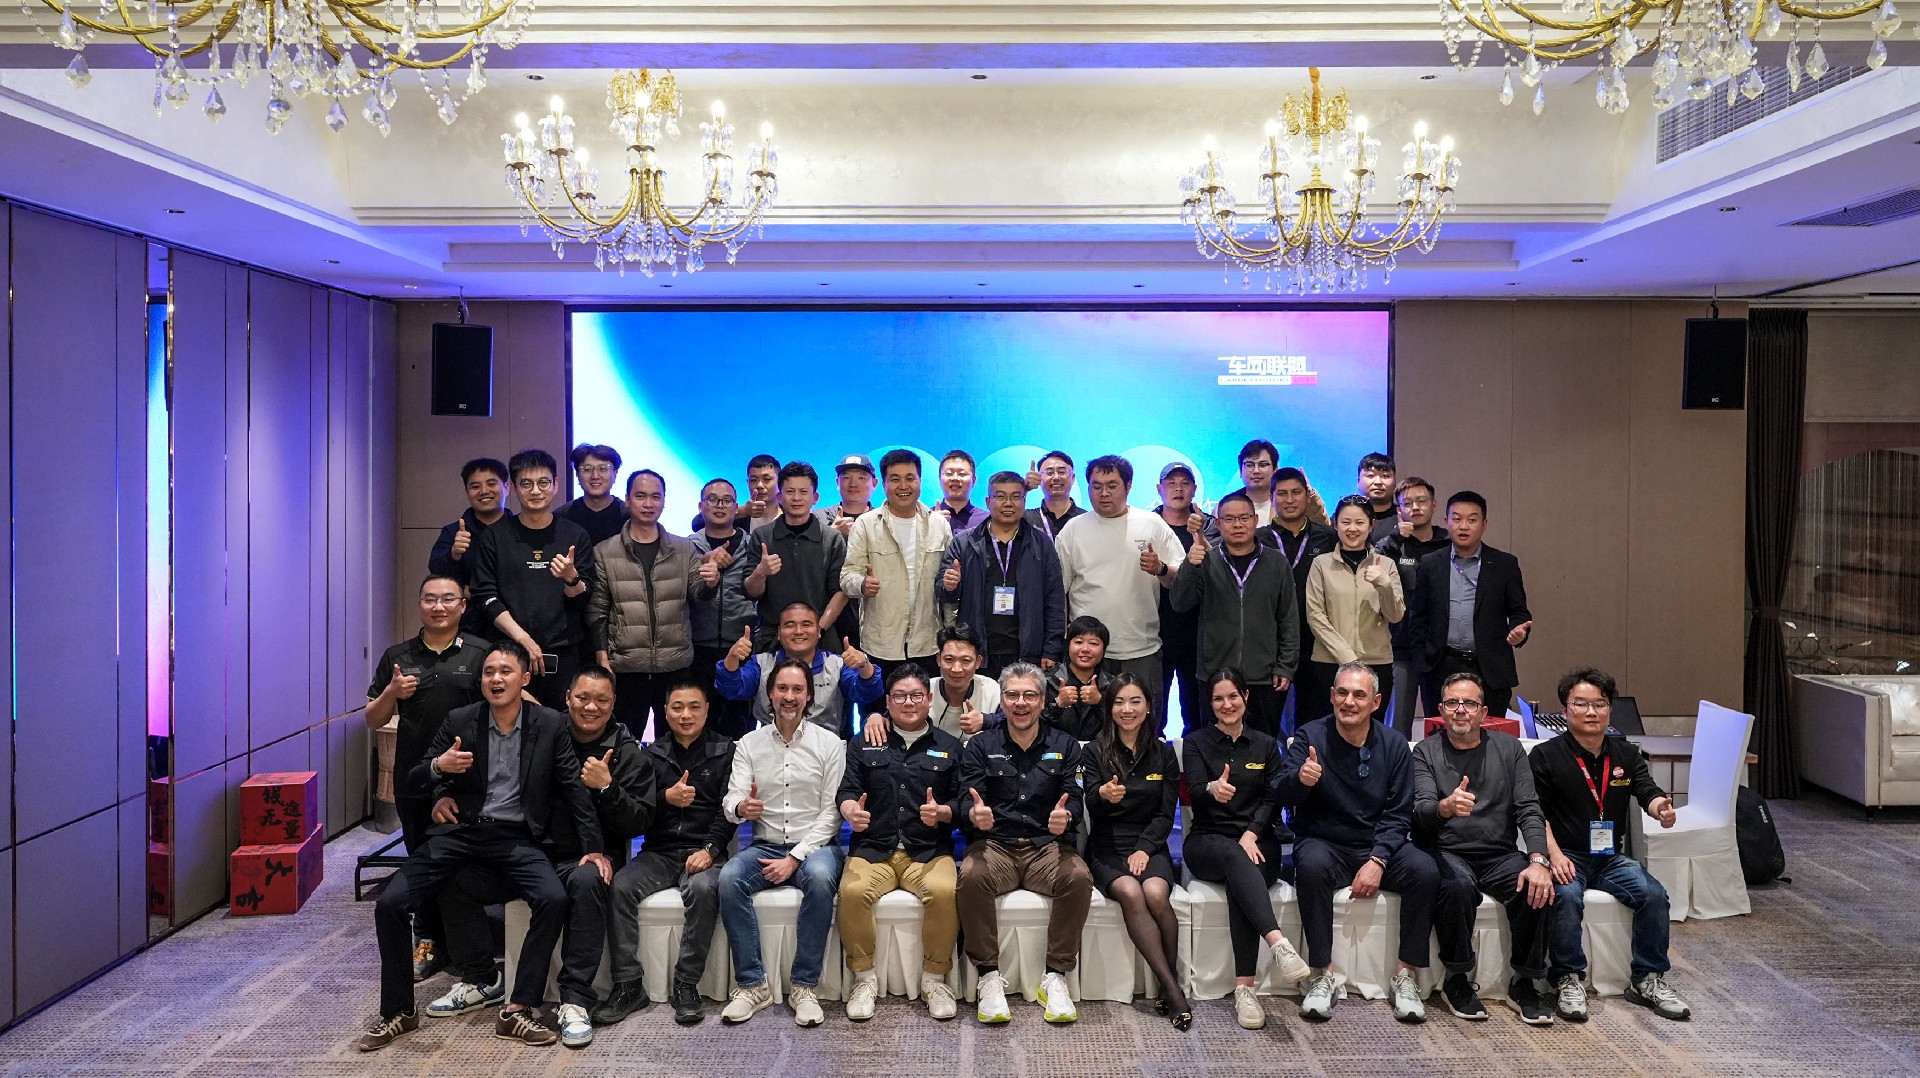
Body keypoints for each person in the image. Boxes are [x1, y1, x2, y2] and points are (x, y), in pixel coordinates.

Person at [357, 640, 601, 1052]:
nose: (495, 679)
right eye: (488, 672)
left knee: (553, 898)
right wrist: (440, 769)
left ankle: (518, 1007)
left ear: (525, 679)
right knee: (391, 903)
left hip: (517, 836)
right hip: (461, 831)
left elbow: (573, 788)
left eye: (506, 671)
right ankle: (399, 1011)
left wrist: (594, 847)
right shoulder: (461, 720)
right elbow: (415, 776)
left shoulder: (548, 724)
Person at [427, 666, 653, 1049]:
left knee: (588, 881)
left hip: (586, 858)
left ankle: (575, 999)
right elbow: (485, 775)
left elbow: (639, 822)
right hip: (524, 852)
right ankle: (482, 977)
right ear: (567, 698)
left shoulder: (627, 751)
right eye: (582, 698)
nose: (591, 707)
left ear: (614, 702)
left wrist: (607, 788)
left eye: (601, 700)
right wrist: (441, 795)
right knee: (454, 877)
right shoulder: (541, 730)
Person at [1276, 662, 1440, 1024]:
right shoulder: (1309, 736)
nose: (1349, 702)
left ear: (1376, 702)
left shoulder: (1394, 745)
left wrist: (1378, 860)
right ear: (1332, 695)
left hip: (1376, 843)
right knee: (1311, 865)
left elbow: (1399, 814)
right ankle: (1322, 974)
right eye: (1342, 693)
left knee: (1425, 870)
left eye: (1359, 695)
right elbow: (1280, 793)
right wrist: (1301, 779)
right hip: (1324, 841)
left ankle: (1405, 974)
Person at [1531, 667, 1691, 1023]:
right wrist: (1553, 855)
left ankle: (1647, 978)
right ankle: (1567, 978)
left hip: (1609, 857)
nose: (1591, 712)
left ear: (1609, 709)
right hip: (1566, 854)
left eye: (1600, 704)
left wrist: (1661, 808)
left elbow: (1647, 790)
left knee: (1653, 894)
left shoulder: (1626, 754)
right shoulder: (1545, 756)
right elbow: (1534, 813)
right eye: (1581, 704)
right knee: (1566, 896)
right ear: (1565, 709)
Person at [366, 575, 492, 983]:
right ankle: (428, 940)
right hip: (415, 777)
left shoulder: (480, 653)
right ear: (419, 604)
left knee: (463, 864)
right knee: (421, 861)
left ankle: (468, 942)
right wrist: (392, 692)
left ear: (463, 605)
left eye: (447, 599)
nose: (438, 607)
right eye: (429, 599)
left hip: (468, 778)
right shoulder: (398, 656)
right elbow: (373, 719)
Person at [1412, 671, 1556, 1025]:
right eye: (1452, 703)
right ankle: (1457, 978)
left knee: (1534, 884)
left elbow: (1529, 809)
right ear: (1441, 710)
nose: (1461, 710)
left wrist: (1539, 859)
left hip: (1498, 854)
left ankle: (1524, 983)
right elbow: (1421, 811)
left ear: (1484, 712)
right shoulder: (1425, 752)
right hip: (1447, 850)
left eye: (1469, 703)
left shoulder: (1509, 749)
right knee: (1456, 886)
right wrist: (1446, 808)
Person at [956, 663, 1093, 1024]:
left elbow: (1075, 797)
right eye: (1013, 695)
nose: (1021, 703)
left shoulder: (1065, 745)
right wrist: (974, 815)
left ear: (1043, 701)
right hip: (995, 845)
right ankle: (988, 975)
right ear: (1001, 701)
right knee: (970, 876)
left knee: (1078, 877)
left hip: (1046, 848)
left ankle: (1055, 976)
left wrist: (1067, 818)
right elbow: (966, 798)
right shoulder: (980, 745)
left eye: (1030, 695)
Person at [596, 681, 738, 1027]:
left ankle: (686, 984)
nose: (685, 715)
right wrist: (664, 798)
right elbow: (637, 812)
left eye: (694, 707)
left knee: (703, 889)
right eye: (677, 707)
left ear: (707, 710)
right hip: (659, 852)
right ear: (665, 712)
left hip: (705, 850)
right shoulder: (651, 754)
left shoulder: (726, 751)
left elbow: (729, 812)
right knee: (620, 887)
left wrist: (710, 849)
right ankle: (629, 984)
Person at [717, 659, 848, 1027]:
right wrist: (742, 807)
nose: (789, 697)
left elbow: (832, 814)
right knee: (729, 879)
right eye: (782, 689)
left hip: (816, 846)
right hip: (766, 844)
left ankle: (804, 986)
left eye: (797, 690)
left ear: (809, 697)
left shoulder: (830, 744)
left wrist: (795, 858)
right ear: (769, 694)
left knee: (819, 879)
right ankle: (752, 985)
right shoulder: (749, 743)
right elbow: (732, 799)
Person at [1180, 669, 1312, 1031]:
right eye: (1218, 699)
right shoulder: (1195, 742)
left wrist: (1253, 832)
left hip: (1258, 843)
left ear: (1246, 697)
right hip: (1207, 841)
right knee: (1237, 859)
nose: (1226, 705)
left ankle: (1245, 990)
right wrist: (1211, 789)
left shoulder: (1266, 744)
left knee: (1243, 874)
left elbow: (1273, 799)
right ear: (1210, 704)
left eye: (1233, 696)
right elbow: (1195, 791)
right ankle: (1278, 942)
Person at [837, 664, 965, 1021]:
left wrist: (943, 813)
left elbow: (962, 803)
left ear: (929, 700)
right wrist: (851, 811)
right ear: (888, 702)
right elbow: (847, 791)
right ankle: (864, 979)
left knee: (944, 891)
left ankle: (934, 980)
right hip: (873, 848)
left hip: (927, 851)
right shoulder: (864, 742)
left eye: (916, 696)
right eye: (900, 696)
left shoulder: (950, 746)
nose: (909, 703)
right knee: (851, 892)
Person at [1081, 675, 1190, 1029]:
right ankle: (1172, 990)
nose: (1126, 710)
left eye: (1135, 701)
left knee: (1156, 892)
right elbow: (1090, 808)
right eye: (1118, 702)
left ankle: (1167, 980)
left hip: (1150, 842)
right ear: (1109, 708)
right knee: (1130, 891)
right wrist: (1102, 796)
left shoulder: (1164, 753)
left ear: (1148, 707)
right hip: (1108, 844)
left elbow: (1166, 814)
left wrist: (1144, 848)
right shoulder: (1094, 751)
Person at [1055, 455, 1183, 716]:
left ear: (1129, 486)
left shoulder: (1151, 523)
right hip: (1088, 653)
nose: (1104, 493)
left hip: (1141, 648)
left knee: (1144, 724)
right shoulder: (1073, 529)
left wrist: (1160, 568)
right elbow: (1058, 593)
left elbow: (1181, 579)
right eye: (1096, 486)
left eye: (1112, 485)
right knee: (1089, 726)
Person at [471, 449, 596, 709]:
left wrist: (571, 578)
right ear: (514, 488)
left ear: (556, 485)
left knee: (560, 723)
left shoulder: (575, 535)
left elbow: (582, 600)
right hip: (509, 652)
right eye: (526, 484)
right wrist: (523, 639)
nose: (535, 491)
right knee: (509, 723)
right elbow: (485, 596)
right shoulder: (495, 536)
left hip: (562, 651)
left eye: (543, 483)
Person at [1169, 491, 1300, 738]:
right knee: (1215, 747)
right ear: (1218, 524)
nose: (1237, 525)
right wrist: (1189, 565)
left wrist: (1285, 666)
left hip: (1263, 677)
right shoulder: (1206, 561)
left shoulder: (1277, 563)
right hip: (1215, 677)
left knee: (1263, 747)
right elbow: (1180, 603)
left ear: (1256, 520)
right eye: (1229, 519)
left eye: (1244, 518)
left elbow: (1288, 620)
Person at [588, 468, 699, 742]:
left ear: (664, 501)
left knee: (676, 745)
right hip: (627, 667)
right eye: (640, 496)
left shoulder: (684, 549)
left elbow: (699, 596)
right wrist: (602, 658)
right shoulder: (604, 551)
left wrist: (711, 580)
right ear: (627, 499)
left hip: (674, 665)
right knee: (623, 744)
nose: (648, 504)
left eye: (655, 497)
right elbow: (597, 610)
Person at [1412, 491, 1533, 716]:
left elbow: (1519, 612)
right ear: (1446, 522)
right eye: (1457, 519)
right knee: (1439, 730)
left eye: (1472, 520)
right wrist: (1422, 659)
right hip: (1440, 666)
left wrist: (1519, 631)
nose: (1464, 526)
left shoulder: (1504, 564)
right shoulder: (1430, 564)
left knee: (1490, 731)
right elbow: (1418, 617)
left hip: (1489, 667)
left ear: (1484, 524)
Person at [940, 470, 1066, 676]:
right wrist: (949, 585)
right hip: (977, 652)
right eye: (1000, 496)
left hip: (1028, 652)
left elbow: (1055, 599)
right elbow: (943, 592)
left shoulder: (1042, 543)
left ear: (1024, 501)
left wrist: (1052, 648)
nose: (1008, 503)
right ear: (988, 501)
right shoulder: (964, 542)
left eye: (1015, 496)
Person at [842, 449, 953, 679]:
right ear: (883, 485)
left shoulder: (939, 525)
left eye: (910, 478)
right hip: (880, 644)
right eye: (895, 479)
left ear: (920, 481)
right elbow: (847, 576)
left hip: (928, 643)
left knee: (924, 702)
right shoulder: (866, 524)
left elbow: (946, 585)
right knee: (880, 703)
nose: (903, 486)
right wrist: (862, 584)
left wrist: (951, 634)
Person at [715, 602, 882, 735]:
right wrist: (732, 658)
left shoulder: (837, 665)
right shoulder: (761, 664)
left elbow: (867, 693)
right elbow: (731, 689)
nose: (798, 631)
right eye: (790, 625)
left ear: (818, 631)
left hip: (824, 750)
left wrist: (864, 665)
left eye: (806, 624)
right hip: (770, 748)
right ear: (779, 633)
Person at [1304, 495, 1404, 717]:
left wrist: (1383, 584)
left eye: (1359, 522)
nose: (1352, 529)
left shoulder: (1386, 564)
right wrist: (1348, 659)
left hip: (1376, 663)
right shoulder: (1321, 564)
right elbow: (1315, 616)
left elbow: (1395, 615)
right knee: (1329, 729)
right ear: (1335, 524)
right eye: (1346, 522)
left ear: (1371, 525)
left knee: (1373, 730)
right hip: (1329, 663)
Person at [1374, 477, 1451, 734]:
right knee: (1397, 726)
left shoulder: (1447, 542)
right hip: (1401, 647)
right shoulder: (1390, 544)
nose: (1415, 507)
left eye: (1422, 501)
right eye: (1407, 503)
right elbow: (1373, 570)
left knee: (1442, 723)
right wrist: (1396, 538)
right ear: (1399, 509)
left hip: (1439, 648)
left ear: (1434, 505)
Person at [1264, 467, 1337, 734]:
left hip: (1316, 642)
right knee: (1268, 723)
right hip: (1271, 644)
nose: (1289, 499)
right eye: (1282, 493)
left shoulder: (1328, 537)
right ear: (1271, 498)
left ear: (1307, 495)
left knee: (1313, 723)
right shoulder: (1259, 539)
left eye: (1296, 492)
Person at [747, 461, 850, 651]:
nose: (796, 498)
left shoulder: (832, 538)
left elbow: (840, 591)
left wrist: (819, 629)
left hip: (821, 637)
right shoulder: (762, 536)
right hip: (772, 638)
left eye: (803, 492)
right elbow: (751, 592)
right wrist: (760, 572)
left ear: (815, 497)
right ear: (779, 496)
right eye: (790, 491)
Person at [689, 478, 758, 738]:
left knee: (740, 729)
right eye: (712, 499)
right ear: (700, 506)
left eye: (727, 500)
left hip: (742, 648)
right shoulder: (686, 547)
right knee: (699, 727)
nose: (720, 505)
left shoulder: (753, 544)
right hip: (698, 649)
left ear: (736, 507)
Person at [1153, 461, 1217, 733]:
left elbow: (1221, 570)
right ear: (1159, 489)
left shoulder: (1210, 525)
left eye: (1184, 483)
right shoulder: (1147, 525)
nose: (1178, 489)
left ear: (1195, 489)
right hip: (1155, 631)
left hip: (1198, 632)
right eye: (1171, 483)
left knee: (1196, 710)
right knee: (1154, 711)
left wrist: (1199, 536)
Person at [428, 457, 512, 637]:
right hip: (467, 629)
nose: (484, 491)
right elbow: (436, 574)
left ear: (507, 487)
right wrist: (454, 554)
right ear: (467, 492)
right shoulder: (453, 532)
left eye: (491, 484)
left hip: (513, 625)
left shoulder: (520, 530)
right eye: (475, 486)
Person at [916, 622, 1000, 742]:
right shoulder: (923, 689)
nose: (956, 669)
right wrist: (884, 719)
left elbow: (1014, 722)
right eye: (949, 659)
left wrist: (986, 720)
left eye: (965, 661)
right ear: (938, 659)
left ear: (978, 662)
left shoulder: (991, 690)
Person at [1042, 615, 1115, 740]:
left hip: (1098, 751)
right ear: (1068, 645)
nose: (1085, 649)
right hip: (1055, 750)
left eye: (1093, 643)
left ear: (1104, 649)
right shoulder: (1047, 681)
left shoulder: (1112, 685)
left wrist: (1099, 702)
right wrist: (1057, 704)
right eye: (1078, 642)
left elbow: (1121, 727)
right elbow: (1032, 725)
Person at [559, 443, 627, 547]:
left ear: (615, 473)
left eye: (603, 469)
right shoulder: (562, 516)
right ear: (577, 474)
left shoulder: (628, 516)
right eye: (587, 469)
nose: (595, 476)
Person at [1023, 450, 1086, 541]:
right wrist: (1023, 490)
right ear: (1039, 478)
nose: (1056, 477)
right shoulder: (1027, 519)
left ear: (1073, 478)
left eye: (1061, 472)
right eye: (1049, 472)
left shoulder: (1085, 519)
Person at [1227, 439, 1280, 527]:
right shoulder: (1226, 507)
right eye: (1249, 465)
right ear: (1240, 471)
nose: (1256, 471)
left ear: (1275, 470)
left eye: (1263, 465)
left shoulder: (1286, 504)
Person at [933, 449, 987, 533]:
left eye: (962, 474)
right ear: (940, 478)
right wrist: (931, 527)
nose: (955, 478)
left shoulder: (987, 521)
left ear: (973, 480)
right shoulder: (925, 518)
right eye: (949, 473)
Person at [1357, 452, 1399, 543]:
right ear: (1358, 482)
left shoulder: (1404, 517)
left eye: (1385, 476)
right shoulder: (1345, 517)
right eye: (1370, 476)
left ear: (1395, 482)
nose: (1378, 482)